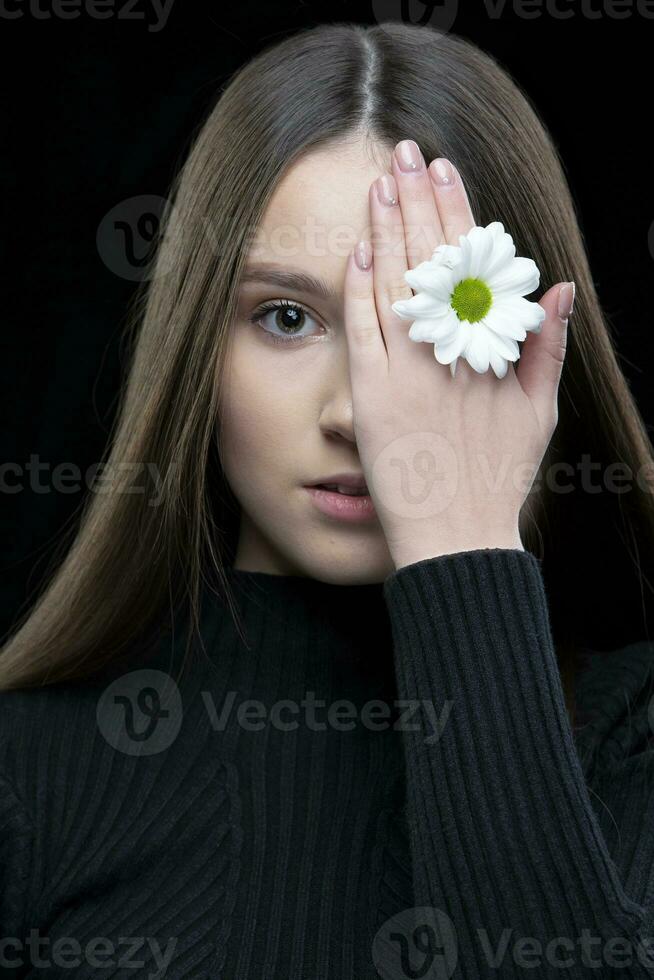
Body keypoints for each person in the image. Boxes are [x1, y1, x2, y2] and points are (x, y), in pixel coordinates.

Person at [2, 20, 654, 979]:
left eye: (427, 318)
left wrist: (462, 549)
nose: (361, 411)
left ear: (535, 350)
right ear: (197, 351)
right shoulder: (31, 767)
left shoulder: (629, 731)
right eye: (288, 317)